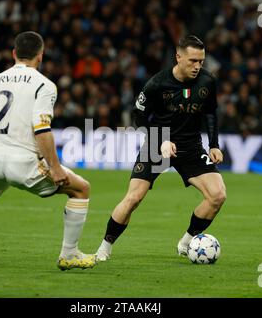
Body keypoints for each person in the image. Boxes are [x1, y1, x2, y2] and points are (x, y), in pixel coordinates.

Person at [0, 31, 96, 271]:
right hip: (24, 162)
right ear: (40, 56)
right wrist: (54, 167)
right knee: (81, 189)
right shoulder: (44, 85)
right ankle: (69, 254)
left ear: (14, 54)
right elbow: (42, 130)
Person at [96, 35, 227, 261]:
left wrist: (213, 145)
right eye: (192, 61)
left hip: (191, 146)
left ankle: (187, 241)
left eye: (201, 61)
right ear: (178, 57)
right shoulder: (157, 83)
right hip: (158, 143)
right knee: (134, 198)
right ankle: (104, 246)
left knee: (217, 195)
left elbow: (210, 112)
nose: (197, 66)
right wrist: (161, 140)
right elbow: (139, 116)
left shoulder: (207, 81)